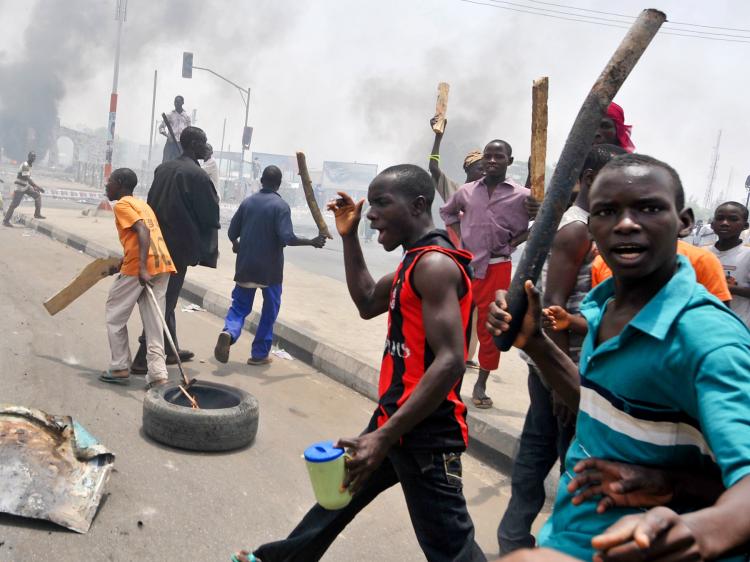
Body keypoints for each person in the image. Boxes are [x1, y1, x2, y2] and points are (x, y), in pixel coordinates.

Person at [488, 154, 750, 561]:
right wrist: (535, 342)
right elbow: (597, 408)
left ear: (682, 223)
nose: (626, 223)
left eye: (648, 208)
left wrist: (696, 530)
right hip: (576, 534)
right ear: (590, 227)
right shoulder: (602, 307)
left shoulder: (706, 340)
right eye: (607, 211)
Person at [234, 165, 485, 562]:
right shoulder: (412, 262)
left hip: (426, 434)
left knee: (452, 550)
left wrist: (383, 438)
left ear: (419, 205)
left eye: (383, 203)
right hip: (395, 419)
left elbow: (453, 361)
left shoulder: (434, 266)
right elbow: (368, 300)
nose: (371, 214)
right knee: (336, 501)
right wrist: (349, 236)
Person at [497, 144, 626, 555]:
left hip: (557, 362)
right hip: (565, 363)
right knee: (571, 461)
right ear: (589, 180)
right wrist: (561, 383)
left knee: (536, 453)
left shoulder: (579, 223)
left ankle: (515, 538)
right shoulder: (578, 229)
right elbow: (553, 305)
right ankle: (559, 546)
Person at [440, 139, 532, 409]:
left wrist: (514, 242)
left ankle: (481, 382)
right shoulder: (466, 192)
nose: (491, 161)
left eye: (498, 156)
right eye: (488, 156)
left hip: (498, 267)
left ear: (509, 161)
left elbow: (539, 223)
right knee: (456, 323)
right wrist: (460, 240)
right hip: (467, 267)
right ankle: (449, 378)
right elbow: (447, 213)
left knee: (491, 328)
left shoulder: (523, 195)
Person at [214, 166, 326, 366]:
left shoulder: (247, 202)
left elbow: (232, 231)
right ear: (279, 183)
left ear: (261, 180)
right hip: (270, 271)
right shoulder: (280, 206)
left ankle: (229, 332)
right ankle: (259, 354)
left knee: (239, 307)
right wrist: (312, 241)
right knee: (269, 311)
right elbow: (288, 238)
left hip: (246, 265)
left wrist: (236, 244)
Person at [130, 126, 220, 374]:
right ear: (192, 144)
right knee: (166, 301)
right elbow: (211, 214)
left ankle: (170, 350)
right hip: (178, 247)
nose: (205, 147)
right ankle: (141, 358)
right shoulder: (198, 176)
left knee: (165, 295)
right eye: (203, 142)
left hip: (155, 242)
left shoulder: (164, 168)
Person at [99, 168, 175, 389]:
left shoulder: (123, 205)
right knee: (154, 322)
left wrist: (140, 267)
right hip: (162, 264)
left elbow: (142, 231)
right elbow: (139, 236)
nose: (107, 184)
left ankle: (120, 366)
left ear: (120, 183)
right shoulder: (143, 204)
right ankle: (158, 374)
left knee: (115, 314)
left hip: (141, 268)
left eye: (110, 181)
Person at [710, 201, 750, 327]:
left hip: (737, 327)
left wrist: (726, 287)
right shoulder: (701, 253)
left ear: (745, 225)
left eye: (733, 219)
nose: (725, 223)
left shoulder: (747, 255)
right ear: (712, 224)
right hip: (704, 325)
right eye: (720, 218)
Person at [427, 118, 485, 202]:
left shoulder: (489, 196)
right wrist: (438, 137)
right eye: (480, 169)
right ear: (467, 168)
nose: (485, 173)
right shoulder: (455, 191)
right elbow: (433, 168)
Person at [3, 151, 45, 226]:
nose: (33, 158)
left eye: (34, 157)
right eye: (32, 156)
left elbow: (28, 179)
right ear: (28, 157)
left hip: (26, 186)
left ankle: (37, 214)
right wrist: (37, 186)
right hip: (20, 187)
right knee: (14, 205)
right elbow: (27, 177)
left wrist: (34, 187)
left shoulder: (30, 165)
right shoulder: (25, 165)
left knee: (37, 196)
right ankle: (5, 221)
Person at [159, 95, 191, 163]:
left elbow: (189, 130)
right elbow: (161, 128)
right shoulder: (170, 115)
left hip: (181, 144)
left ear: (182, 103)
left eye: (178, 102)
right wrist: (168, 136)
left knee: (181, 163)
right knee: (165, 162)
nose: (176, 104)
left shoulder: (187, 116)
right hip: (170, 143)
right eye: (175, 102)